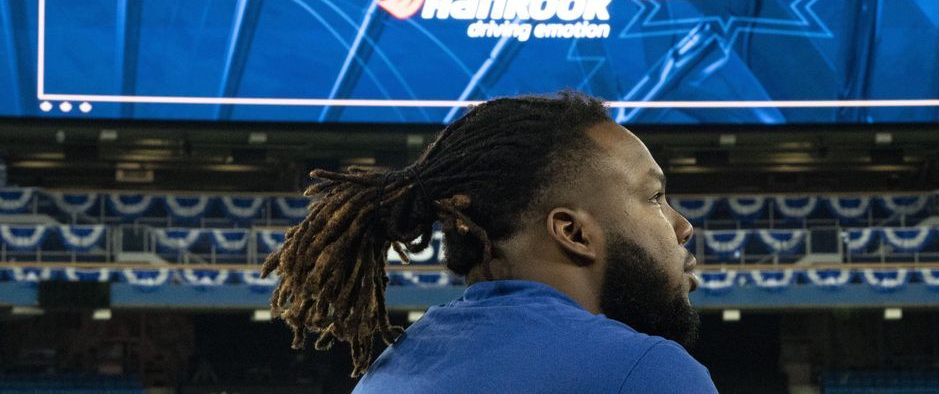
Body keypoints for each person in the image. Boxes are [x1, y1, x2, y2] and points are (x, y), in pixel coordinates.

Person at [262, 91, 717, 393]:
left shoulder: (387, 375)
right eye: (655, 196)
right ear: (573, 233)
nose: (682, 227)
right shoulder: (649, 373)